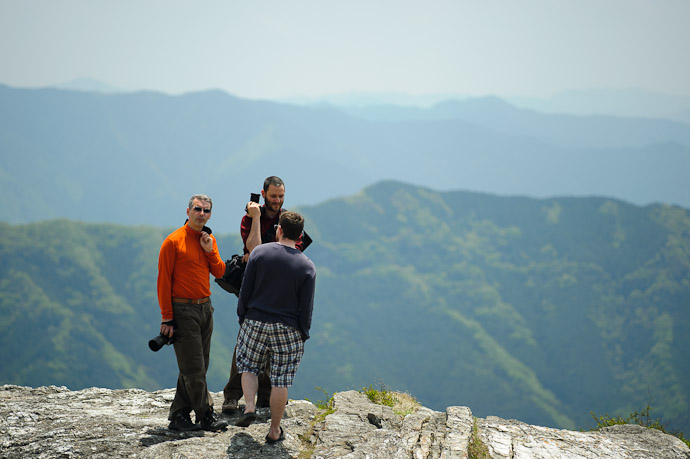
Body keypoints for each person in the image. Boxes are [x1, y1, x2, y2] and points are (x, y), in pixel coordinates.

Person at [222, 176, 304, 413]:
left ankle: (266, 396)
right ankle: (232, 396)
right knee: (245, 344)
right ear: (263, 194)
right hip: (254, 288)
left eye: (281, 196)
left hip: (279, 289)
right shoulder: (249, 219)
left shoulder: (288, 220)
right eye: (273, 196)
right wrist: (256, 218)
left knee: (273, 343)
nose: (277, 201)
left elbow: (294, 254)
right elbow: (254, 250)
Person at [234, 210, 316, 444]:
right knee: (280, 380)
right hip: (288, 328)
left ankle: (249, 406)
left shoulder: (260, 253)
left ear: (279, 229)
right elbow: (306, 307)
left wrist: (243, 317)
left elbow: (245, 291)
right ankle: (274, 430)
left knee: (248, 365)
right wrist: (303, 332)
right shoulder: (307, 266)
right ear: (300, 236)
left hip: (256, 321)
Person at [157, 194, 228, 432]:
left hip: (205, 307)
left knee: (196, 364)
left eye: (206, 211)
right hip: (182, 308)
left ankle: (178, 415)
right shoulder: (173, 241)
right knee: (195, 367)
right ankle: (206, 414)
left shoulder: (209, 240)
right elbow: (163, 281)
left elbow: (219, 272)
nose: (202, 214)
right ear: (188, 211)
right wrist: (167, 316)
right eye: (197, 209)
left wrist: (209, 250)